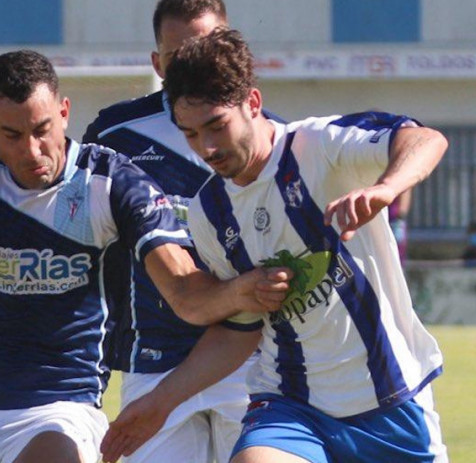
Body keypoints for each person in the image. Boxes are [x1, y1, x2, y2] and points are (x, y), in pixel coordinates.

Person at [0, 49, 291, 463]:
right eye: (12, 135)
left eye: (42, 129)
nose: (32, 150)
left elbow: (185, 291)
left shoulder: (112, 182)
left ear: (64, 112)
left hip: (60, 407)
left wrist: (242, 291)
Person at [101, 29, 450, 463]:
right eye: (190, 134)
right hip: (291, 406)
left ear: (252, 102)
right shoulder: (210, 213)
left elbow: (425, 139)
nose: (206, 148)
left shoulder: (318, 146)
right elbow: (239, 330)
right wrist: (159, 402)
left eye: (216, 126)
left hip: (391, 400)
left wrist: (386, 188)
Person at [83, 2, 281, 462]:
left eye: (207, 48)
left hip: (252, 358)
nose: (194, 65)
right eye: (178, 57)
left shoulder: (274, 137)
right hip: (153, 358)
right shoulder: (116, 134)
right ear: (157, 63)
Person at [388, 188, 412, 265]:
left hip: (394, 220)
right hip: (379, 219)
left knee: (396, 257)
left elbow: (406, 190)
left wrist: (400, 217)